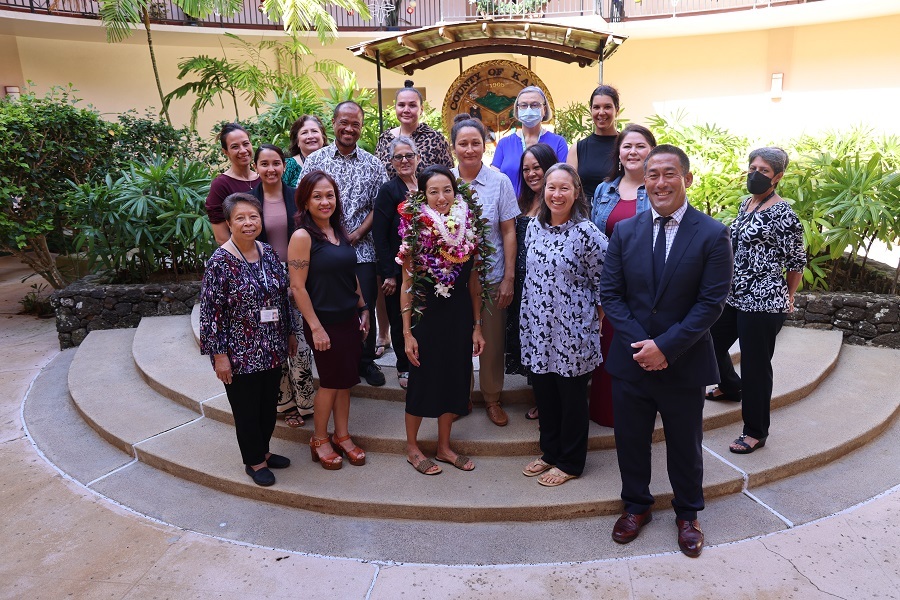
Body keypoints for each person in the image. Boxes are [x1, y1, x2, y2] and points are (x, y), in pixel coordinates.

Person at [599, 144, 733, 558]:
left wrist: (666, 347)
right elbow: (611, 294)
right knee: (631, 441)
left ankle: (688, 513)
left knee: (685, 444)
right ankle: (636, 506)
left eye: (669, 174)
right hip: (632, 359)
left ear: (687, 179)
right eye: (652, 174)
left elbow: (711, 303)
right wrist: (644, 345)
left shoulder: (712, 233)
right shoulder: (625, 231)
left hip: (684, 361)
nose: (660, 182)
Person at [707, 147, 806, 454]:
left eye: (764, 170)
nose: (756, 174)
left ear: (778, 177)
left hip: (764, 303)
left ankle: (755, 431)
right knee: (709, 342)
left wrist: (788, 296)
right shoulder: (745, 204)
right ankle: (731, 386)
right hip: (734, 296)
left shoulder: (784, 214)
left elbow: (796, 262)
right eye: (753, 167)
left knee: (755, 366)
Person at [199, 192, 297, 487]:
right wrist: (219, 356)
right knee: (246, 410)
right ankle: (253, 461)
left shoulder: (267, 252)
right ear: (228, 223)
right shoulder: (219, 262)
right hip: (239, 353)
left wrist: (290, 332)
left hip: (271, 346)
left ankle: (264, 452)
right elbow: (210, 313)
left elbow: (282, 296)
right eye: (240, 218)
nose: (248, 222)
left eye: (253, 216)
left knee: (268, 406)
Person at [520, 164, 608, 487]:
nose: (556, 194)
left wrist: (595, 319)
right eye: (551, 188)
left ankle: (570, 461)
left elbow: (606, 282)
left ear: (576, 192)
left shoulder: (587, 233)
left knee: (571, 398)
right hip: (537, 328)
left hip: (572, 330)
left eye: (564, 188)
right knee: (544, 394)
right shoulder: (533, 228)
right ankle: (550, 452)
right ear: (543, 191)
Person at [398, 165, 489, 475]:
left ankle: (444, 446)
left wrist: (477, 326)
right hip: (426, 316)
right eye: (433, 192)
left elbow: (475, 283)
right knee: (422, 381)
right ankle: (412, 448)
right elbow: (406, 286)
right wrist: (407, 334)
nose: (441, 197)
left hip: (459, 315)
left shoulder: (469, 226)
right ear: (423, 195)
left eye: (446, 190)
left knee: (455, 379)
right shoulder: (414, 231)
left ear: (456, 191)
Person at [300, 101, 388, 387]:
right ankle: (335, 356)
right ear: (334, 123)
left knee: (364, 305)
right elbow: (303, 199)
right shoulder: (316, 160)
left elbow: (379, 206)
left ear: (361, 127)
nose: (349, 129)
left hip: (360, 250)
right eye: (344, 123)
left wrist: (358, 233)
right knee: (332, 304)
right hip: (322, 249)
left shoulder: (373, 164)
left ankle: (365, 360)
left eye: (356, 124)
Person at [287, 170, 370, 471]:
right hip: (324, 323)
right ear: (305, 202)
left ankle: (343, 435)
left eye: (329, 195)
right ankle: (319, 439)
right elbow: (297, 287)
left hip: (349, 318)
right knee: (331, 383)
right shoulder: (302, 237)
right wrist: (316, 327)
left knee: (345, 382)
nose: (325, 201)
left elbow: (351, 275)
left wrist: (363, 309)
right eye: (317, 196)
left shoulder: (340, 232)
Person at [451, 113, 519, 427]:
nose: (469, 149)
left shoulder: (499, 182)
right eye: (462, 143)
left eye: (475, 143)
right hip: (450, 280)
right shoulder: (444, 182)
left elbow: (508, 230)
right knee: (457, 340)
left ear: (485, 145)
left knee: (491, 343)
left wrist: (508, 277)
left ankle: (492, 398)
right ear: (453, 147)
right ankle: (459, 395)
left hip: (491, 277)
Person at [588, 124, 657, 427]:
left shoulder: (658, 189)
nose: (633, 152)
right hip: (609, 283)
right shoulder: (605, 190)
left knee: (637, 346)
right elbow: (592, 236)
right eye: (627, 146)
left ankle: (638, 414)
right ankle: (605, 411)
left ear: (651, 152)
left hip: (645, 285)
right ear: (618, 153)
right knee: (607, 347)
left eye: (640, 146)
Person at [252, 144, 315, 428]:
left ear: (283, 165)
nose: (271, 169)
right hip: (265, 284)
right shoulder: (249, 202)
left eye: (276, 163)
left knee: (300, 346)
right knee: (275, 343)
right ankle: (285, 403)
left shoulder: (297, 198)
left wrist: (296, 278)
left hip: (297, 280)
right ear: (256, 167)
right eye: (264, 164)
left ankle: (306, 402)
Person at [504, 143, 559, 421]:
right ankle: (539, 395)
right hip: (522, 282)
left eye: (537, 167)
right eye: (526, 169)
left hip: (547, 287)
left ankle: (549, 400)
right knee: (528, 340)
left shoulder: (559, 201)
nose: (531, 173)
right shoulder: (522, 201)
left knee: (547, 340)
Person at [372, 137, 419, 389]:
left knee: (421, 319)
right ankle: (404, 366)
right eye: (398, 157)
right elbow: (380, 235)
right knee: (401, 316)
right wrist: (388, 274)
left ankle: (423, 362)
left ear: (417, 158)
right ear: (391, 162)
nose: (404, 161)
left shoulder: (427, 184)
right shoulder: (389, 190)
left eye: (409, 155)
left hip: (425, 268)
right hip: (397, 269)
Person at [491, 86, 568, 197]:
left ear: (544, 110)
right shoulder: (504, 144)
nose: (528, 109)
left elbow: (564, 179)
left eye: (534, 105)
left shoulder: (558, 142)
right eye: (523, 105)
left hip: (546, 210)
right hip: (510, 211)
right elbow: (494, 181)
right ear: (517, 110)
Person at [375, 80, 454, 179]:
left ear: (421, 109)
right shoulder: (385, 138)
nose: (406, 110)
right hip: (389, 194)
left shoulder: (436, 139)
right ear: (395, 108)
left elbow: (449, 177)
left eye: (412, 105)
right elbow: (376, 176)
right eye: (401, 105)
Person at [206, 123, 260, 245]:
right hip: (240, 257)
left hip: (270, 255)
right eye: (235, 147)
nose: (243, 150)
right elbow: (221, 237)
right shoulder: (221, 185)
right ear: (225, 152)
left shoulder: (263, 178)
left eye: (246, 144)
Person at [566, 85, 621, 199]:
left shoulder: (626, 146)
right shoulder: (577, 149)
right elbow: (569, 188)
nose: (601, 112)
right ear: (590, 110)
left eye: (607, 107)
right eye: (596, 107)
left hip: (620, 213)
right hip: (586, 214)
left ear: (617, 110)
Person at [282, 115, 327, 188]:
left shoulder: (335, 161)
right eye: (304, 133)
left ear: (323, 137)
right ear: (297, 141)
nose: (310, 136)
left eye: (314, 131)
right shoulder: (288, 166)